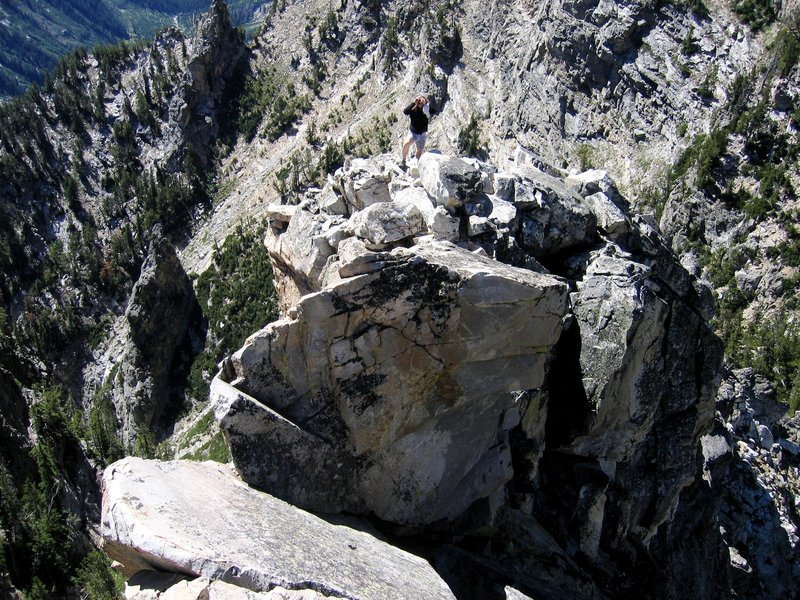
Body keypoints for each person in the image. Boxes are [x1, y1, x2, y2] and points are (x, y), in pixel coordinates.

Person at [401, 94, 435, 169]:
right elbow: (405, 112)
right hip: (413, 133)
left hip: (422, 134)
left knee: (419, 152)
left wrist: (427, 107)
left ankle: (417, 166)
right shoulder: (413, 109)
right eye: (419, 100)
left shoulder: (426, 109)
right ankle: (403, 161)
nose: (421, 102)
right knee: (406, 144)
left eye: (423, 100)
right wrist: (413, 103)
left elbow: (434, 111)